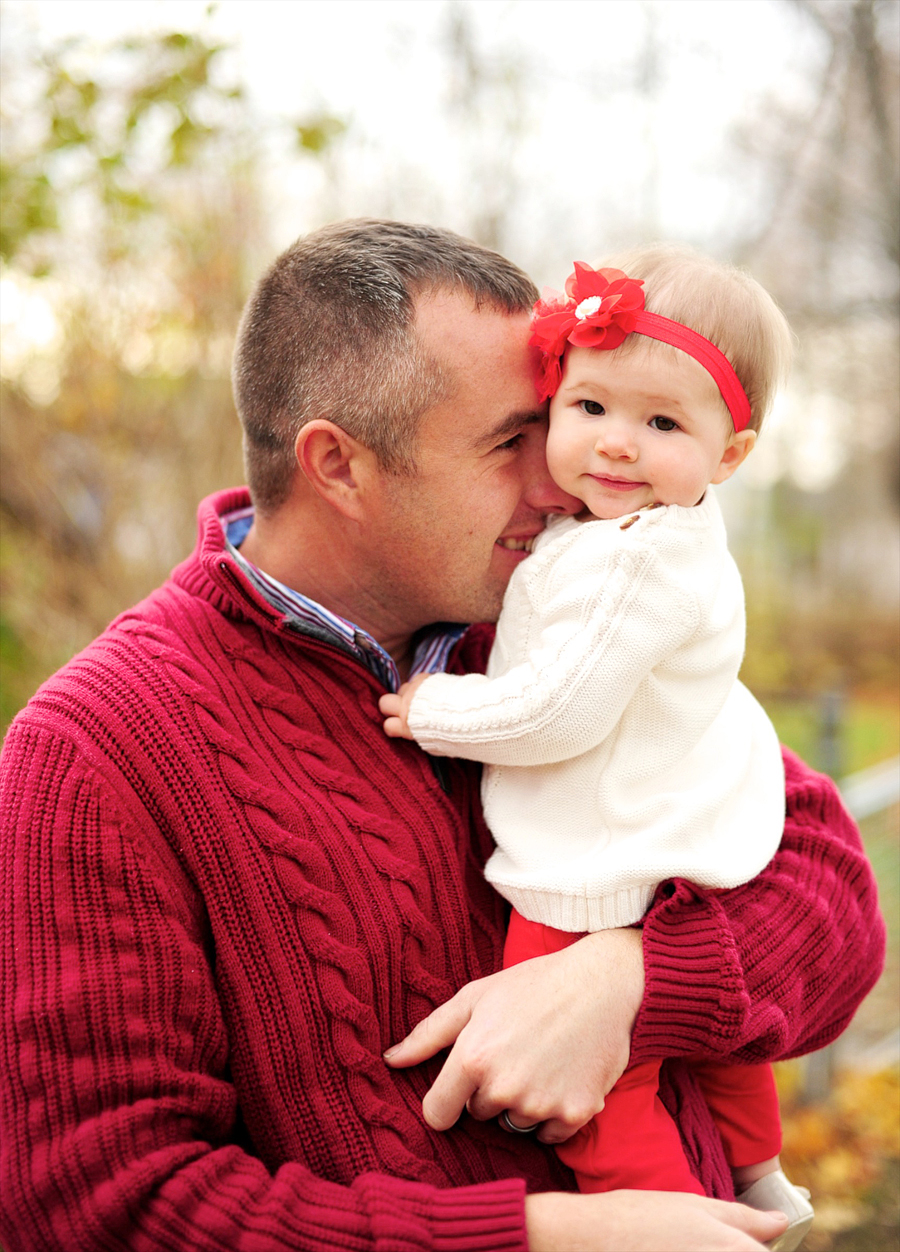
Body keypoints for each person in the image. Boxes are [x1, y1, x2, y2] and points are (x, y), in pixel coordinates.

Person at [0, 220, 884, 1252]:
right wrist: (545, 1237)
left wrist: (626, 983)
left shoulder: (556, 617)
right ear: (339, 465)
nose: (561, 481)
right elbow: (97, 1204)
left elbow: (836, 896)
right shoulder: (96, 755)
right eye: (514, 440)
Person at [377, 246, 813, 1247]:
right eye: (590, 410)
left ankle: (678, 1223)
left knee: (603, 1098)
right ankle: (760, 1171)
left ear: (731, 455)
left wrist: (436, 710)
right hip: (683, 831)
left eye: (662, 424)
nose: (618, 445)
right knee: (725, 1047)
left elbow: (555, 710)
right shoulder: (632, 529)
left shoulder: (639, 561)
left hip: (599, 862)